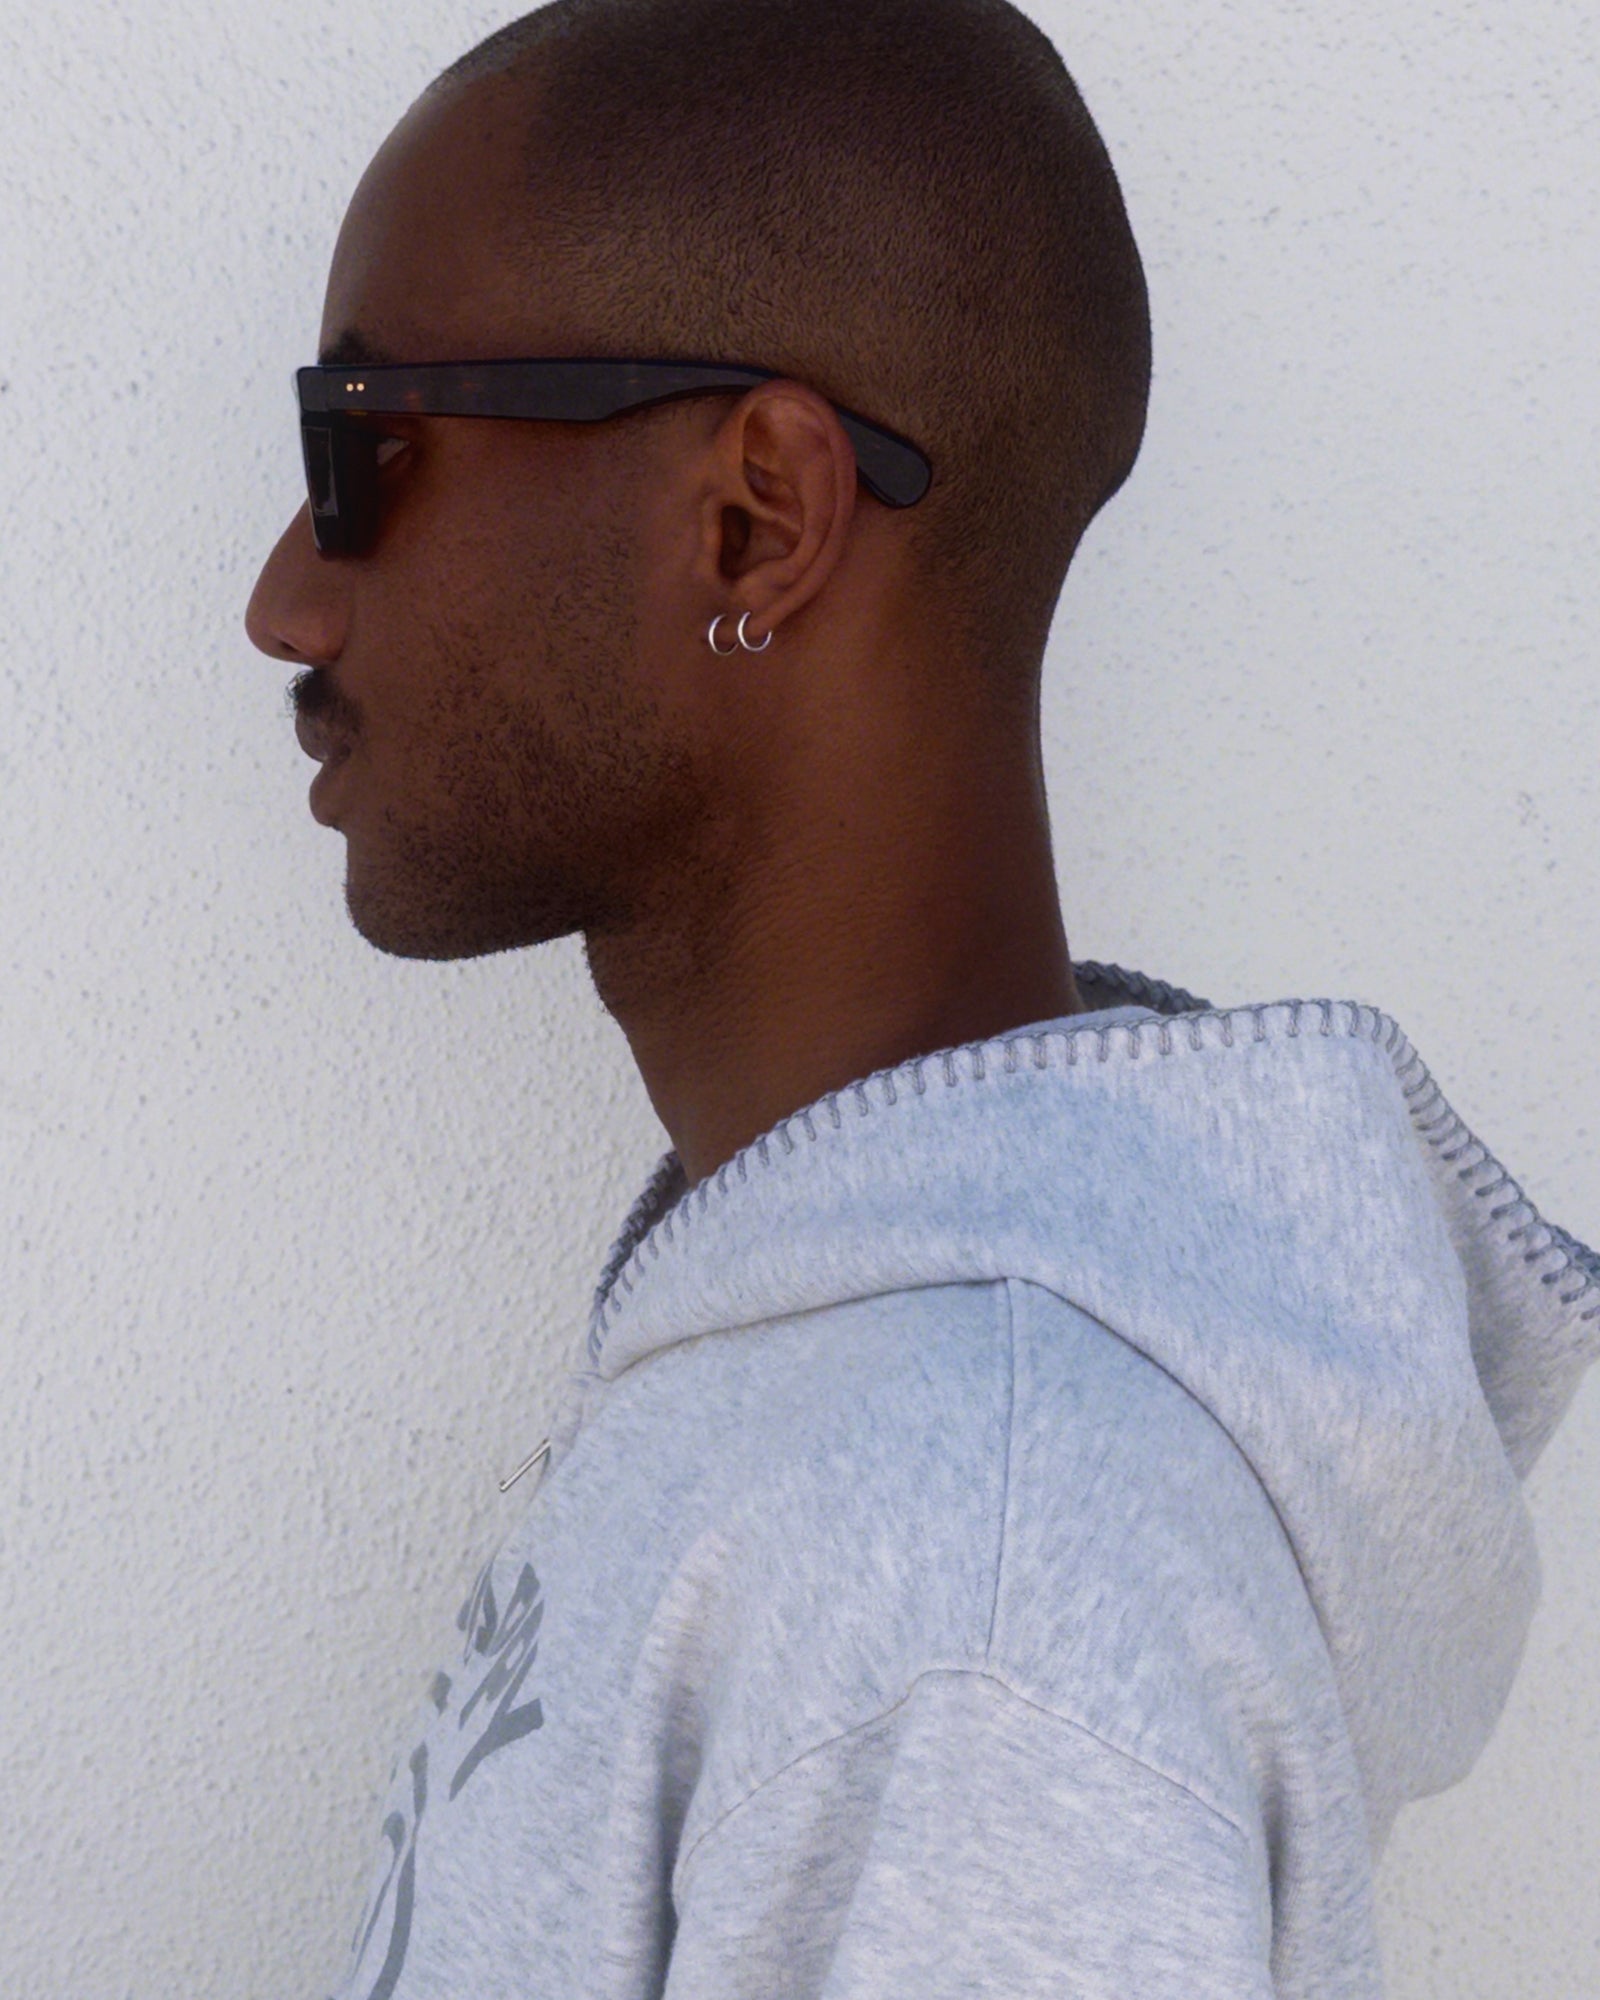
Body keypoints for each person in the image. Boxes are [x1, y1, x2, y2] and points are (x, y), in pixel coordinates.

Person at [244, 2, 1598, 1994]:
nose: (283, 597)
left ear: (757, 520)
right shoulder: (849, 1418)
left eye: (362, 448)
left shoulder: (982, 1580)